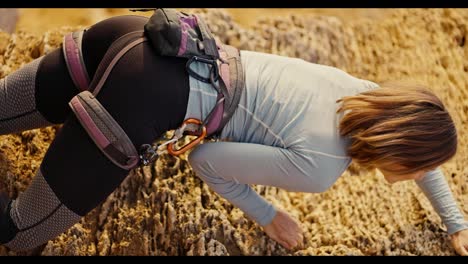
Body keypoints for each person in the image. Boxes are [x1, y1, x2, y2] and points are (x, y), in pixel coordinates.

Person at [0, 14, 466, 255]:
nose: (419, 175)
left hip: (145, 37)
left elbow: (415, 134)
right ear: (400, 147)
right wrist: (267, 215)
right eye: (420, 164)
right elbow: (206, 162)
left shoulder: (361, 93)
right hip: (141, 96)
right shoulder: (320, 168)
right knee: (21, 232)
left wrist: (456, 221)